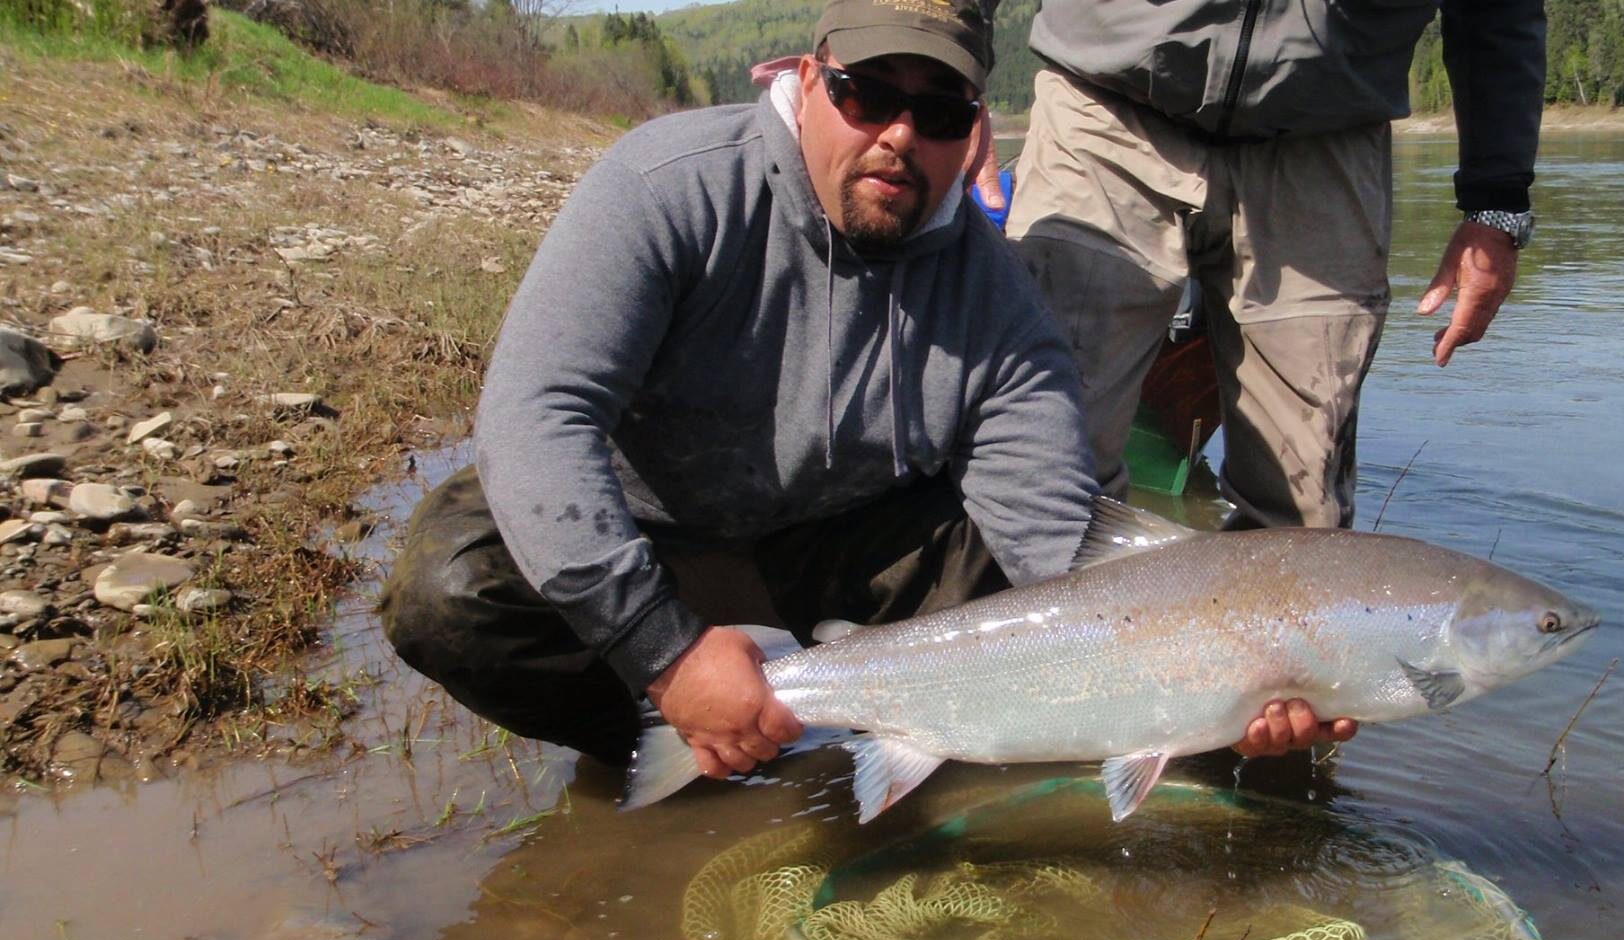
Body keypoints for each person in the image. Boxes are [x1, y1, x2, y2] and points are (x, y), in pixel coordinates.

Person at [378, 0, 1346, 793]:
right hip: (652, 526)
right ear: (805, 80)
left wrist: (1221, 692)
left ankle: (839, 728)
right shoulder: (666, 186)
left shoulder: (1003, 308)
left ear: (974, 134)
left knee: (1038, 581)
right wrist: (663, 653)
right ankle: (703, 739)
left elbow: (1058, 552)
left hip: (848, 547)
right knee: (447, 587)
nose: (897, 135)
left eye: (939, 113)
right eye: (866, 93)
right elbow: (536, 417)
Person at [1000, 0, 1545, 530]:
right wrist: (941, 87)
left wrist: (1497, 200)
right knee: (1046, 474)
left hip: (1327, 129)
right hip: (1103, 102)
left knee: (1303, 515)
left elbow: (1499, 9)